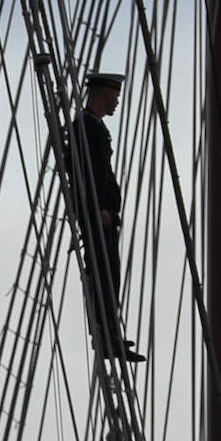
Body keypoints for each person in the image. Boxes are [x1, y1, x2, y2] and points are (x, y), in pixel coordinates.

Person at [70, 71, 144, 363]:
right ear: (103, 94)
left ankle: (111, 333)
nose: (116, 103)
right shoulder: (87, 126)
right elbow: (90, 172)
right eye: (115, 97)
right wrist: (99, 207)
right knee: (103, 273)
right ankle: (107, 335)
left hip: (104, 215)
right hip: (98, 215)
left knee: (109, 274)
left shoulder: (93, 125)